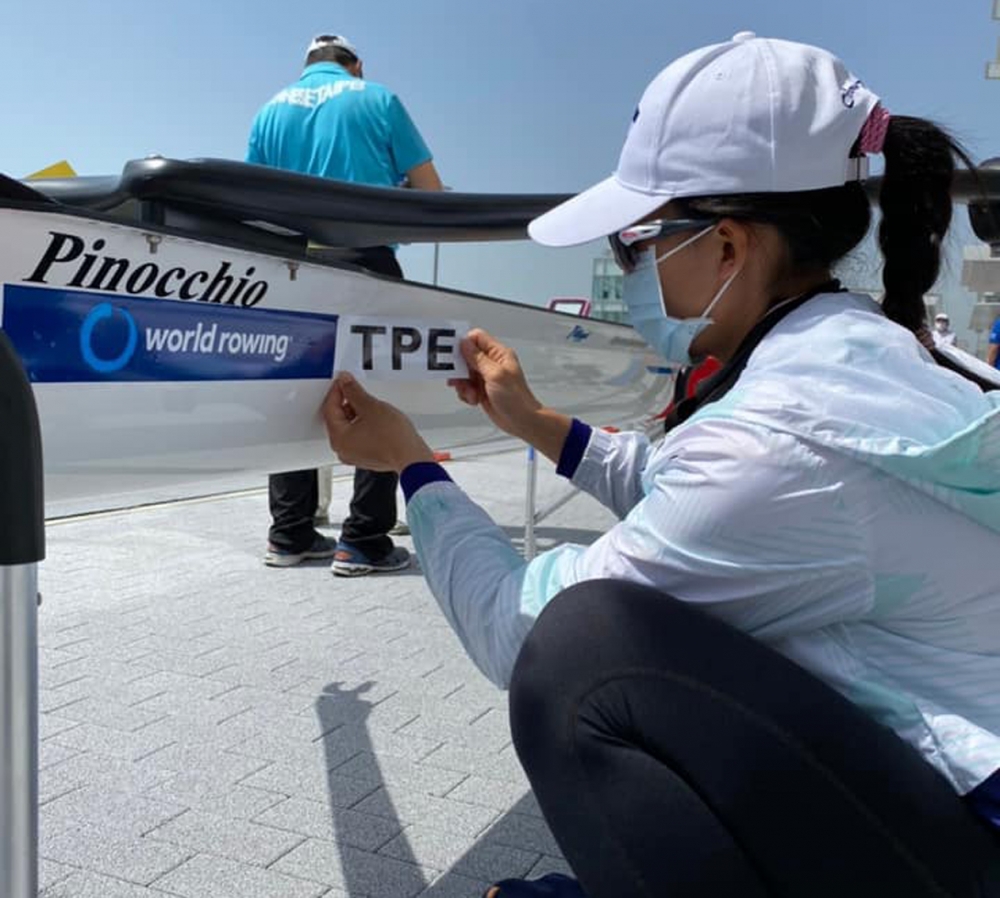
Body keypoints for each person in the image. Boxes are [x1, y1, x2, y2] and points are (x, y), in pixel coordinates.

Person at [323, 32, 1000, 898]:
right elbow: (678, 490)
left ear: (728, 246)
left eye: (638, 243)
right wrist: (531, 419)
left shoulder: (780, 441)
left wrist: (409, 464)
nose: (634, 269)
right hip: (955, 797)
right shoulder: (859, 352)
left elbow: (516, 631)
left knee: (583, 655)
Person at [247, 33, 443, 575]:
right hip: (366, 265)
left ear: (306, 66)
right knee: (375, 393)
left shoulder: (269, 111)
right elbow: (432, 196)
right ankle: (364, 539)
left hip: (292, 270)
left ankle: (289, 534)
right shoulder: (376, 97)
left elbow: (251, 204)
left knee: (293, 395)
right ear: (355, 65)